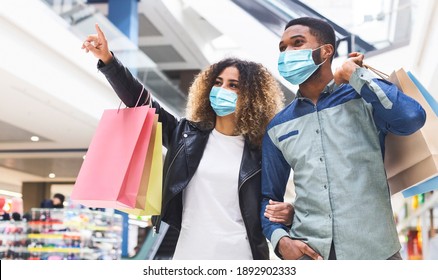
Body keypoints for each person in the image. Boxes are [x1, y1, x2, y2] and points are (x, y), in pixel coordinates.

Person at [82, 24, 291, 260]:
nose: (222, 89)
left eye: (233, 85)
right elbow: (140, 102)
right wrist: (108, 61)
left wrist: (289, 214)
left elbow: (273, 207)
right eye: (218, 82)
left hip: (241, 255)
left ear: (252, 97)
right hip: (188, 253)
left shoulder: (264, 150)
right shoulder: (185, 134)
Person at [261, 17, 426, 260]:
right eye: (283, 47)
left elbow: (411, 118)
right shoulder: (278, 126)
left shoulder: (363, 98)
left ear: (326, 51)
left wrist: (356, 75)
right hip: (310, 255)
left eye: (297, 43)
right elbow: (268, 198)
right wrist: (280, 240)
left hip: (377, 253)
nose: (287, 53)